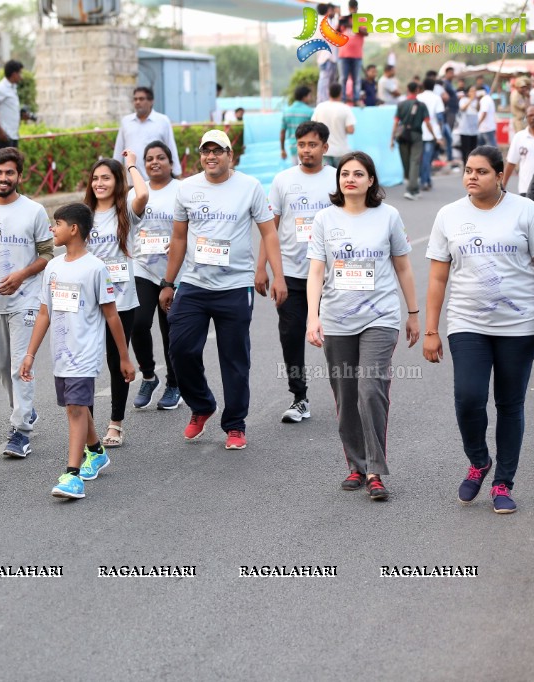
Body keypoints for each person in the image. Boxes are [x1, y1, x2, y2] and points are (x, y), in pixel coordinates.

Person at [423, 145, 534, 514]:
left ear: (500, 175)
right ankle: (478, 460)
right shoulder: (450, 215)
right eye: (468, 170)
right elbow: (438, 277)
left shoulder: (525, 211)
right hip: (468, 323)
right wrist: (430, 329)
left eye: (481, 171)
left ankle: (503, 482)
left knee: (510, 403)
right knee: (469, 397)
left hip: (519, 325)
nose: (471, 176)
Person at [160, 130, 287, 450]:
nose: (211, 156)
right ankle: (202, 405)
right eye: (206, 151)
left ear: (231, 155)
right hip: (194, 282)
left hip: (235, 285)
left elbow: (269, 233)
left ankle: (234, 424)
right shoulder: (187, 188)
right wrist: (168, 281)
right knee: (180, 349)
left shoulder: (250, 187)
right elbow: (178, 238)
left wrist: (277, 275)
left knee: (234, 358)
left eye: (218, 151)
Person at [306, 152, 420, 501]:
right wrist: (314, 315)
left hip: (379, 317)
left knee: (371, 390)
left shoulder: (388, 216)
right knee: (347, 395)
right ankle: (355, 465)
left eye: (358, 173)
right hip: (338, 319)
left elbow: (403, 267)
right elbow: (316, 271)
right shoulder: (325, 218)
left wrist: (413, 313)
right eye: (344, 173)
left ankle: (375, 470)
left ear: (371, 180)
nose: (350, 178)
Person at [19, 203, 135, 500]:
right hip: (61, 353)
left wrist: (123, 357)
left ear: (73, 229)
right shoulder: (54, 266)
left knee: (74, 409)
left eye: (56, 224)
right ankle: (96, 452)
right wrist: (30, 354)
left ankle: (72, 476)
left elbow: (112, 315)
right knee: (77, 406)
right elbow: (45, 313)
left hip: (85, 352)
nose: (52, 229)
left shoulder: (95, 267)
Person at [256, 121, 336, 423]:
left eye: (312, 144)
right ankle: (299, 397)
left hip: (332, 277)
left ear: (325, 148)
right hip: (290, 274)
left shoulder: (338, 180)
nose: (306, 150)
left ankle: (346, 392)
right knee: (290, 337)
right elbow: (270, 227)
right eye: (301, 144)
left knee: (338, 339)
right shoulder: (283, 180)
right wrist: (262, 268)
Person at [0, 147, 53, 458]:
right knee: (3, 367)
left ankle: (20, 430)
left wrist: (22, 275)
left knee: (21, 365)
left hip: (26, 299)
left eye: (10, 173)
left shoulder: (33, 211)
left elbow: (47, 253)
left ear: (19, 176)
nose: (4, 178)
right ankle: (25, 410)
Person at [83, 151, 148, 448]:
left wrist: (131, 164)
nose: (99, 183)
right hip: (88, 302)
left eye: (106, 178)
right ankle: (88, 429)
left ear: (117, 181)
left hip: (121, 301)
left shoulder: (125, 213)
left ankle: (115, 424)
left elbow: (143, 192)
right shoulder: (82, 213)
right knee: (86, 365)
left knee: (116, 361)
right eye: (95, 178)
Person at [130, 142, 183, 411]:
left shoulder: (182, 191)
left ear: (170, 163)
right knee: (138, 323)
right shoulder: (137, 192)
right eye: (149, 158)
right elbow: (125, 227)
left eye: (160, 158)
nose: (154, 162)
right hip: (142, 268)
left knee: (170, 330)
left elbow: (192, 228)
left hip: (174, 271)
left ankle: (175, 384)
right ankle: (149, 376)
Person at [113, 87, 180, 180]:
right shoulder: (126, 121)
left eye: (141, 99)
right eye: (135, 99)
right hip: (132, 180)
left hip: (156, 179)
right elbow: (118, 150)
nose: (137, 102)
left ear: (151, 101)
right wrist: (114, 173)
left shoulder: (162, 121)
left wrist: (176, 173)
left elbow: (170, 147)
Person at [391, 81, 433, 201]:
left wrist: (392, 139)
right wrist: (434, 135)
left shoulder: (401, 104)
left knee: (406, 162)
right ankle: (411, 189)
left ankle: (413, 188)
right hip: (416, 135)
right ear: (417, 91)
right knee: (415, 161)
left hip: (402, 135)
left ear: (408, 90)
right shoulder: (422, 105)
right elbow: (427, 122)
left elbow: (395, 123)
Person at [312, 83, 357, 166]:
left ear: (329, 93)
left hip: (324, 151)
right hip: (341, 151)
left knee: (325, 177)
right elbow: (350, 130)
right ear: (341, 93)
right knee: (340, 177)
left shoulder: (320, 107)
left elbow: (313, 127)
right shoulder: (345, 108)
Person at [0, 60, 26, 151]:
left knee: (13, 164)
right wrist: (0, 131)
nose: (21, 77)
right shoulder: (1, 88)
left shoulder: (13, 88)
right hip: (4, 136)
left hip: (13, 135)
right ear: (14, 74)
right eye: (20, 73)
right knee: (5, 164)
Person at [417, 77, 445, 192]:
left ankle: (425, 180)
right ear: (434, 86)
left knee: (421, 158)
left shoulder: (418, 97)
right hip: (431, 132)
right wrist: (440, 134)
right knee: (427, 159)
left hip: (419, 132)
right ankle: (425, 181)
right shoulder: (436, 98)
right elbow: (440, 117)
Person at [338, 0, 367, 104]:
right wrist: (340, 20)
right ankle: (342, 99)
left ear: (357, 8)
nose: (353, 9)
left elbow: (366, 32)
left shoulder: (362, 19)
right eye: (351, 7)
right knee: (343, 79)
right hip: (343, 55)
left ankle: (356, 99)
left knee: (356, 79)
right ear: (349, 8)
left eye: (354, 7)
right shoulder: (343, 19)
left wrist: (353, 26)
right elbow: (336, 32)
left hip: (357, 55)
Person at [504, 105, 534, 197]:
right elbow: (511, 162)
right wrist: (502, 185)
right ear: (526, 117)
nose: (533, 118)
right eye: (530, 115)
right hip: (525, 188)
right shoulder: (519, 137)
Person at [281, 86, 314, 163]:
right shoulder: (309, 112)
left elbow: (282, 132)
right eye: (309, 96)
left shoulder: (286, 112)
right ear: (304, 97)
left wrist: (282, 149)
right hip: (306, 149)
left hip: (292, 148)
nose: (310, 98)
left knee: (295, 173)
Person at [316, 4, 341, 102]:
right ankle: (323, 101)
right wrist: (339, 15)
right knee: (325, 81)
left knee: (328, 81)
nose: (334, 13)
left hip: (327, 57)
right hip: (327, 57)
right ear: (328, 11)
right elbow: (337, 30)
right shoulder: (324, 22)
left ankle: (325, 100)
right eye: (332, 10)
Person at [458, 85, 481, 165]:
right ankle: (466, 167)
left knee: (473, 151)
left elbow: (478, 109)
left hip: (474, 130)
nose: (474, 93)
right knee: (465, 151)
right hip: (465, 130)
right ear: (468, 92)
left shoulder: (476, 101)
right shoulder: (463, 100)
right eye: (472, 91)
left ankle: (472, 167)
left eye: (475, 91)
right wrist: (470, 100)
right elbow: (462, 108)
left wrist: (477, 100)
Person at [441, 67, 459, 163]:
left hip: (453, 111)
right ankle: (446, 154)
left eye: (453, 72)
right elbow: (443, 96)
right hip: (449, 112)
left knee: (449, 135)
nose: (452, 75)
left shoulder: (450, 84)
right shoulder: (445, 84)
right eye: (451, 73)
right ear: (446, 73)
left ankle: (449, 155)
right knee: (447, 135)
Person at [477, 83, 498, 148]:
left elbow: (484, 113)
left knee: (491, 148)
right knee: (482, 148)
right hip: (485, 128)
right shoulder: (487, 98)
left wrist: (478, 123)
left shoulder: (485, 99)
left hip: (486, 128)